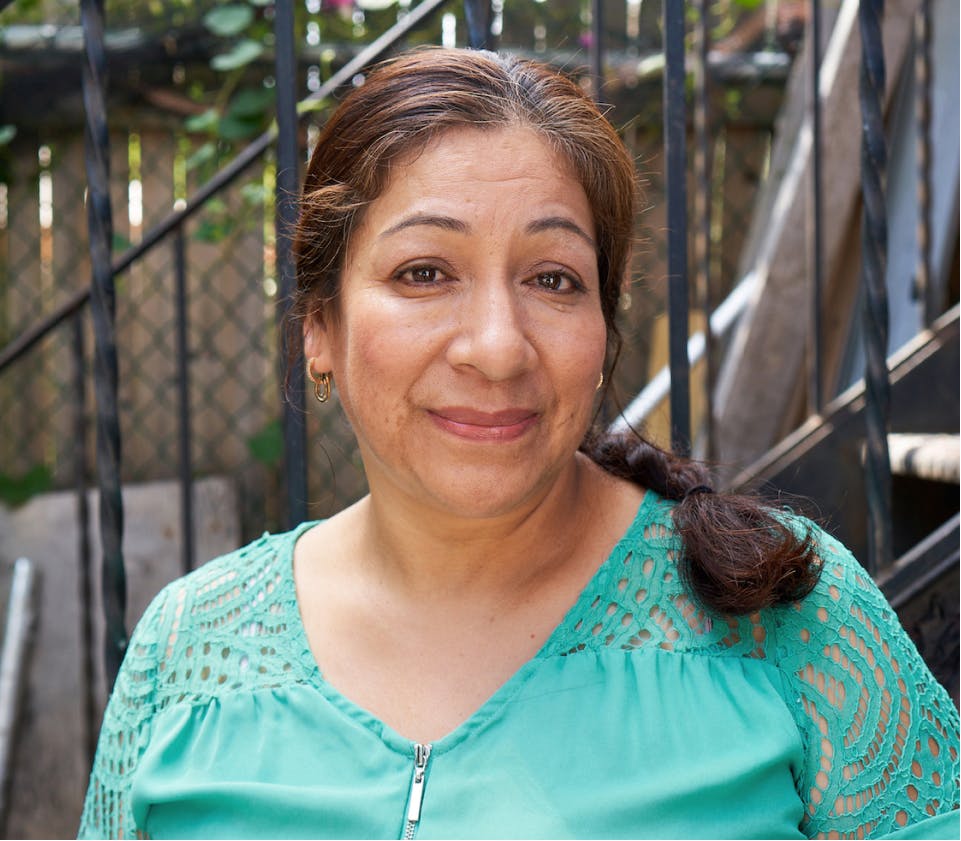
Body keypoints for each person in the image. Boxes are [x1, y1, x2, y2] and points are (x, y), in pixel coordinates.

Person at [79, 47, 959, 839]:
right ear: (319, 325)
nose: (497, 346)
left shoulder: (791, 619)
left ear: (603, 327)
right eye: (424, 273)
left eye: (552, 279)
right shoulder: (186, 660)